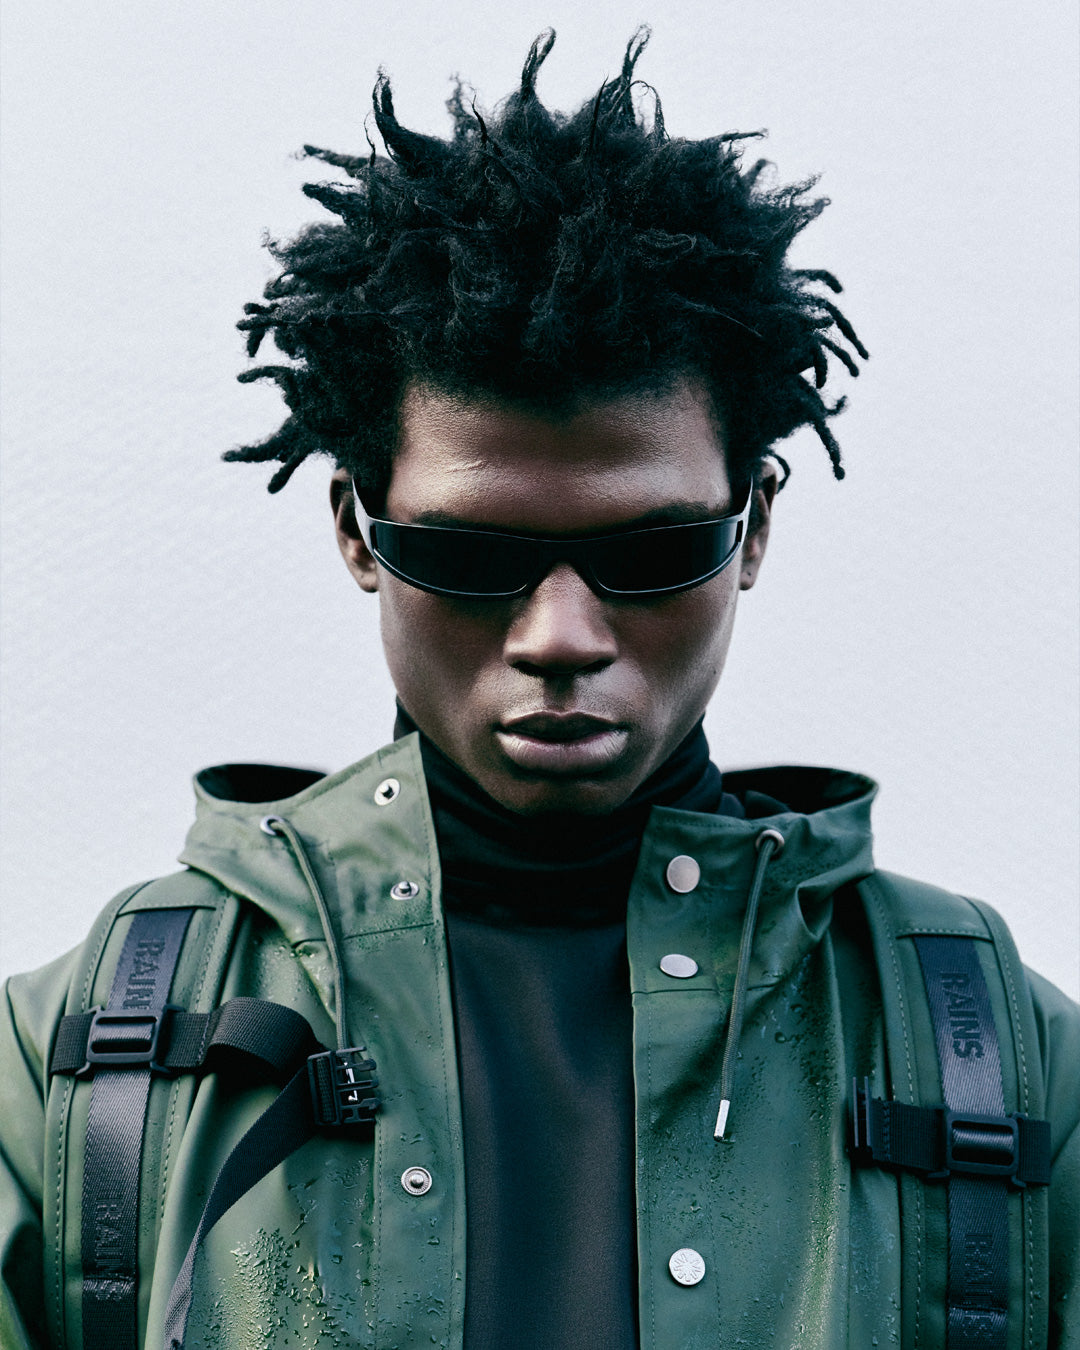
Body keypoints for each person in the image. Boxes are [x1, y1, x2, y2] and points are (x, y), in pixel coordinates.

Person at [1, 29, 1076, 1350]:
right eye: (471, 558)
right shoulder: (69, 1062)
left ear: (753, 529)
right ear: (355, 530)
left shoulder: (1007, 1058)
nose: (562, 633)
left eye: (651, 553)